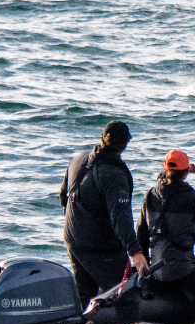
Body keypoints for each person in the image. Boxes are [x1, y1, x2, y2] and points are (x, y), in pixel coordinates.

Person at [60, 121, 149, 308]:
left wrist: (79, 224)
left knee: (84, 292)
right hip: (99, 247)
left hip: (73, 238)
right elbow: (121, 219)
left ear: (102, 138)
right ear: (125, 144)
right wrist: (135, 252)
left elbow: (63, 197)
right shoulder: (115, 175)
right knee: (126, 295)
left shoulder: (78, 159)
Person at [136, 149, 195, 311]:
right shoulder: (188, 197)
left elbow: (141, 233)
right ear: (185, 173)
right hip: (180, 270)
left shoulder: (151, 195)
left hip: (156, 268)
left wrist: (145, 268)